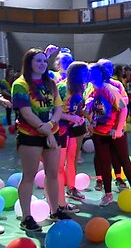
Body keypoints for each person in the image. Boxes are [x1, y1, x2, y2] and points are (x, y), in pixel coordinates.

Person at [12, 48, 70, 232]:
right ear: (29, 63)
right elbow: (27, 113)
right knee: (28, 176)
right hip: (30, 136)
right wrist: (48, 133)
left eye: (44, 61)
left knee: (53, 173)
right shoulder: (20, 84)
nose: (42, 64)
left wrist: (52, 124)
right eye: (38, 60)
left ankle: (55, 211)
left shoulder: (51, 83)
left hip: (51, 133)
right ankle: (26, 217)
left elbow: (58, 108)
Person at [84, 63, 131, 206]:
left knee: (123, 159)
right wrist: (89, 121)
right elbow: (91, 112)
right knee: (104, 163)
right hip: (99, 133)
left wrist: (119, 128)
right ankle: (108, 194)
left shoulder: (110, 89)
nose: (88, 74)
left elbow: (123, 109)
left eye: (91, 72)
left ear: (99, 74)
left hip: (115, 132)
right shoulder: (91, 90)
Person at [57, 62, 89, 210]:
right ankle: (58, 197)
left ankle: (71, 188)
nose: (88, 75)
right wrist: (71, 118)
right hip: (61, 129)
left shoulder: (80, 88)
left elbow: (77, 108)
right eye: (85, 72)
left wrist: (82, 118)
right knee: (59, 164)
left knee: (72, 158)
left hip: (74, 129)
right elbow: (54, 112)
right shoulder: (62, 88)